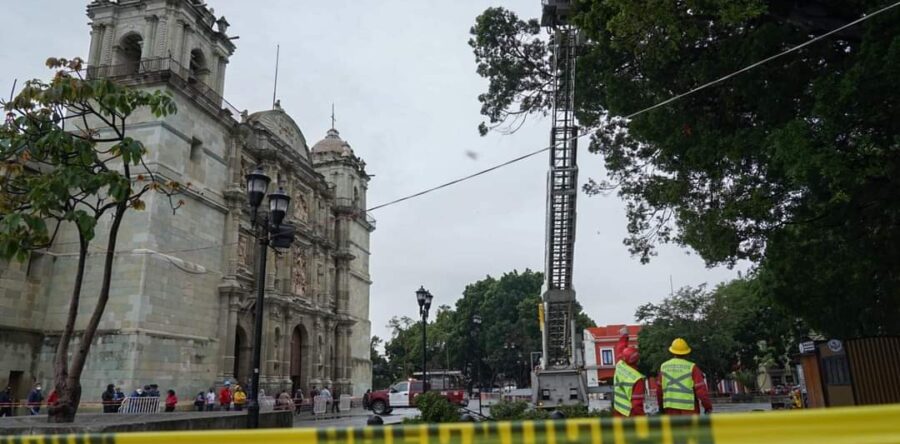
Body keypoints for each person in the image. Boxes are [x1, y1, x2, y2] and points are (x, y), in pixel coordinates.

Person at [657, 338, 713, 415]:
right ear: (687, 353)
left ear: (672, 352)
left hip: (670, 409)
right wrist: (707, 407)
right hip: (689, 410)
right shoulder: (692, 367)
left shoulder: (664, 367)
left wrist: (661, 407)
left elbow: (659, 391)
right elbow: (701, 391)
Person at [612, 326, 646, 417]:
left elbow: (620, 348)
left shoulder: (620, 365)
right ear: (637, 360)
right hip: (630, 415)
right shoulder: (637, 379)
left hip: (618, 410)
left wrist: (624, 335)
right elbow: (636, 405)